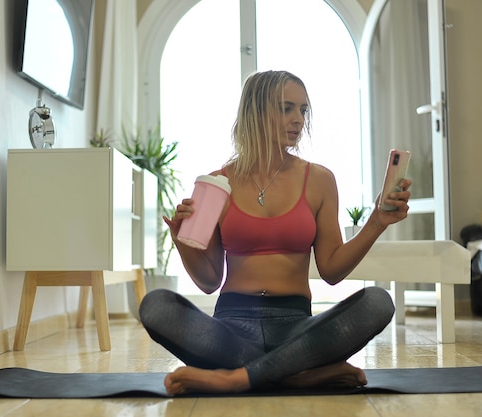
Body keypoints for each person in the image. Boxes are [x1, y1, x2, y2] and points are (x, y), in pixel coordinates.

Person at [139, 70, 412, 395]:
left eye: (303, 110)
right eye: (286, 108)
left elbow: (332, 271)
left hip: (295, 325)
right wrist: (181, 242)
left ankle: (237, 378)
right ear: (255, 112)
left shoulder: (320, 180)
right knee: (155, 305)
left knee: (378, 302)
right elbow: (209, 281)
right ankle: (294, 374)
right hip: (231, 326)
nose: (298, 119)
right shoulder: (218, 183)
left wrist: (377, 222)